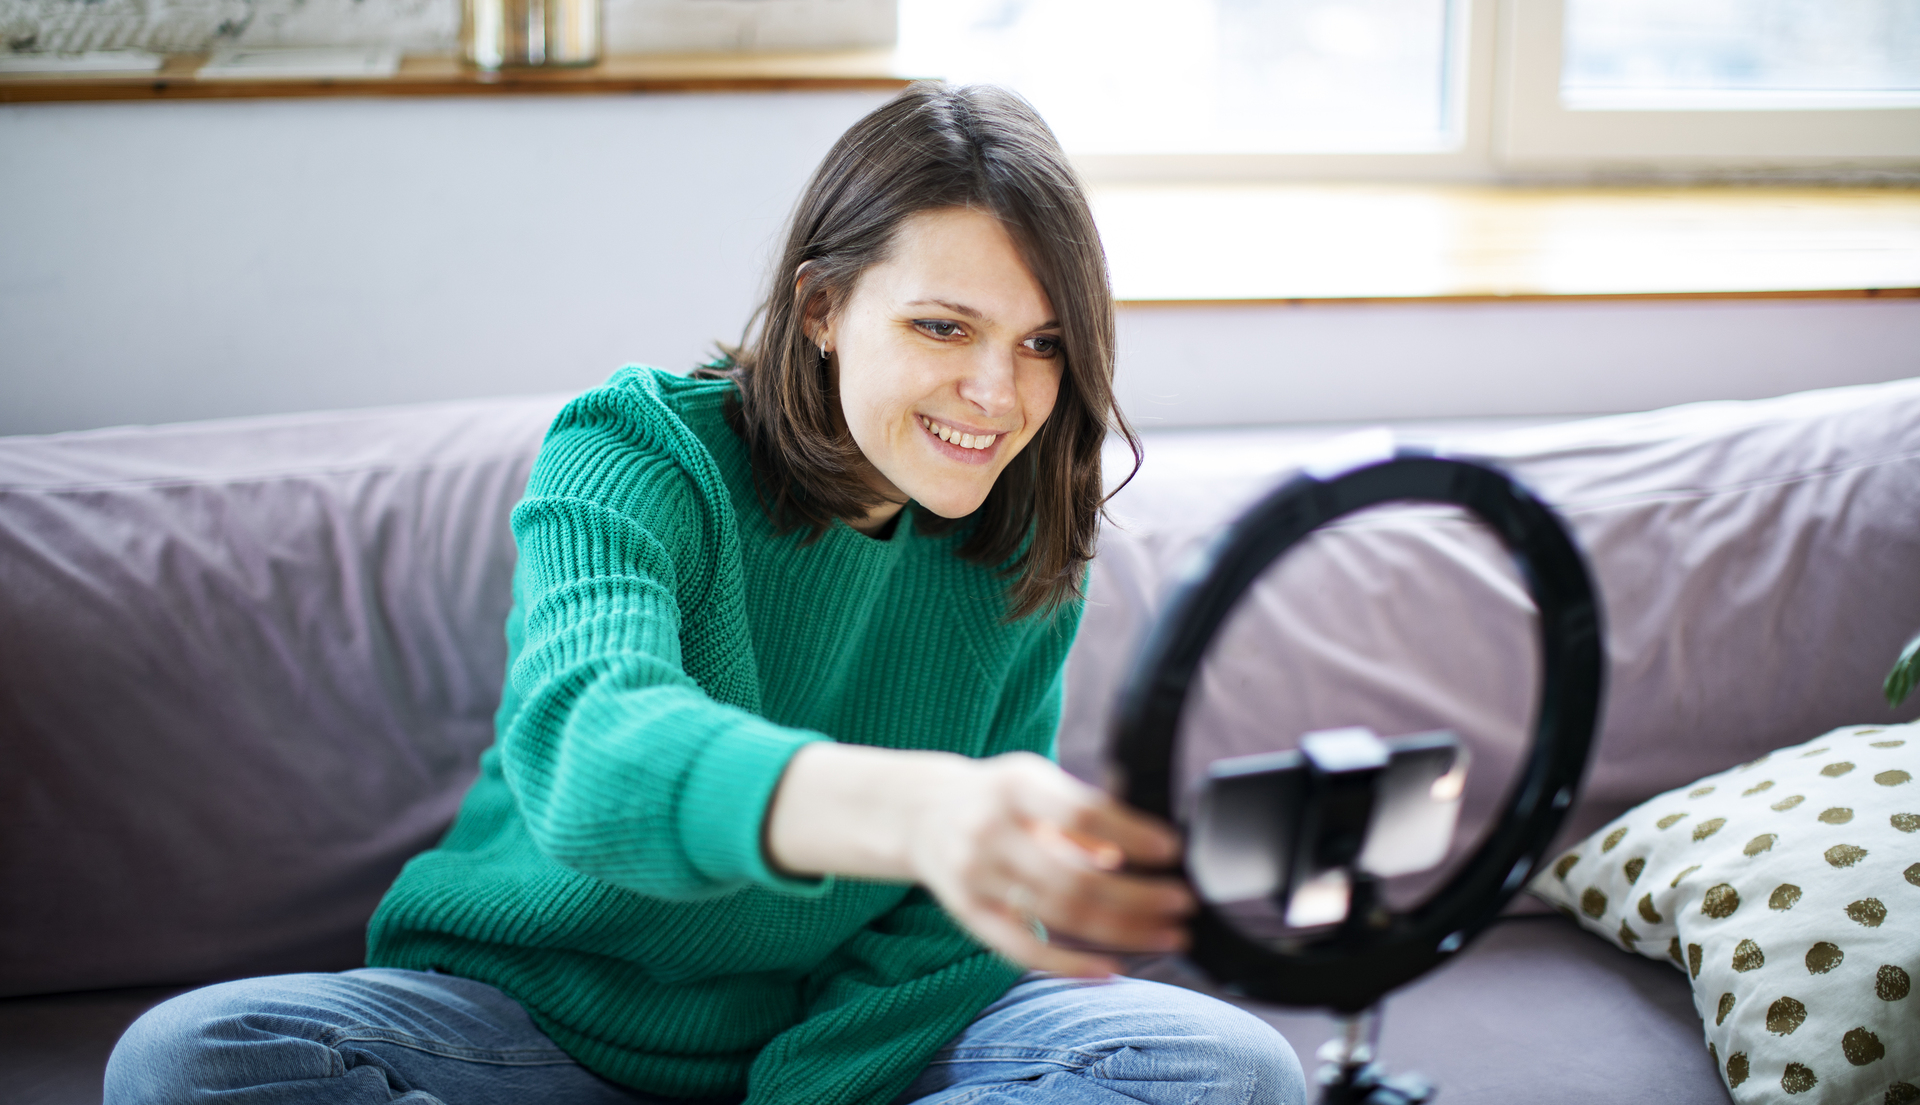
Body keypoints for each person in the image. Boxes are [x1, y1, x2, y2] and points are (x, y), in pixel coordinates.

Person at [106, 83, 1306, 1105]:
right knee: (190, 1058)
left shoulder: (1027, 535)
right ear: (823, 305)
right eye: (946, 325)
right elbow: (590, 749)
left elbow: (942, 950)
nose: (997, 392)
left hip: (828, 1051)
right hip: (526, 1029)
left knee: (1221, 1063)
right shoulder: (631, 453)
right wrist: (917, 812)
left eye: (1044, 343)